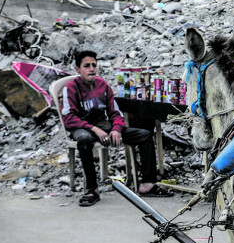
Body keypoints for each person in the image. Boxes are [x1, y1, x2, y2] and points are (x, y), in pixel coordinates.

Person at [60, 50, 166, 206]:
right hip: (83, 128)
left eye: (94, 65)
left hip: (104, 126)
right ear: (77, 69)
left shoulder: (103, 85)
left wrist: (116, 129)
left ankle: (147, 184)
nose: (91, 69)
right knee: (84, 140)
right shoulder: (71, 88)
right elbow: (69, 118)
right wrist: (94, 129)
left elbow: (115, 113)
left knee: (144, 135)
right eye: (86, 66)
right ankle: (92, 189)